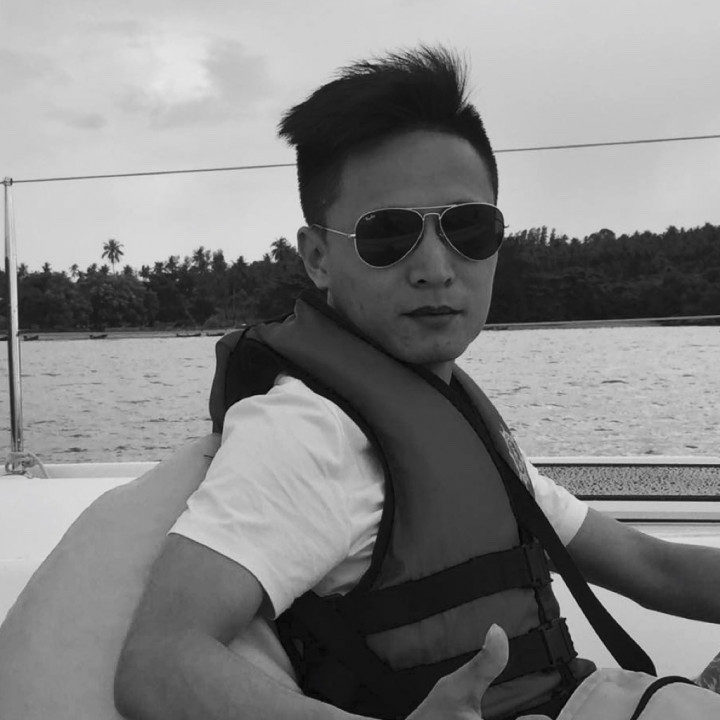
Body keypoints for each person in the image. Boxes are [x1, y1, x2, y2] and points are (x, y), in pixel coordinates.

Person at [114, 46, 720, 720]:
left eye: (469, 227)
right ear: (317, 258)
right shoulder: (308, 432)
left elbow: (651, 568)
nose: (435, 266)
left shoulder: (452, 411)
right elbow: (156, 662)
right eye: (388, 235)